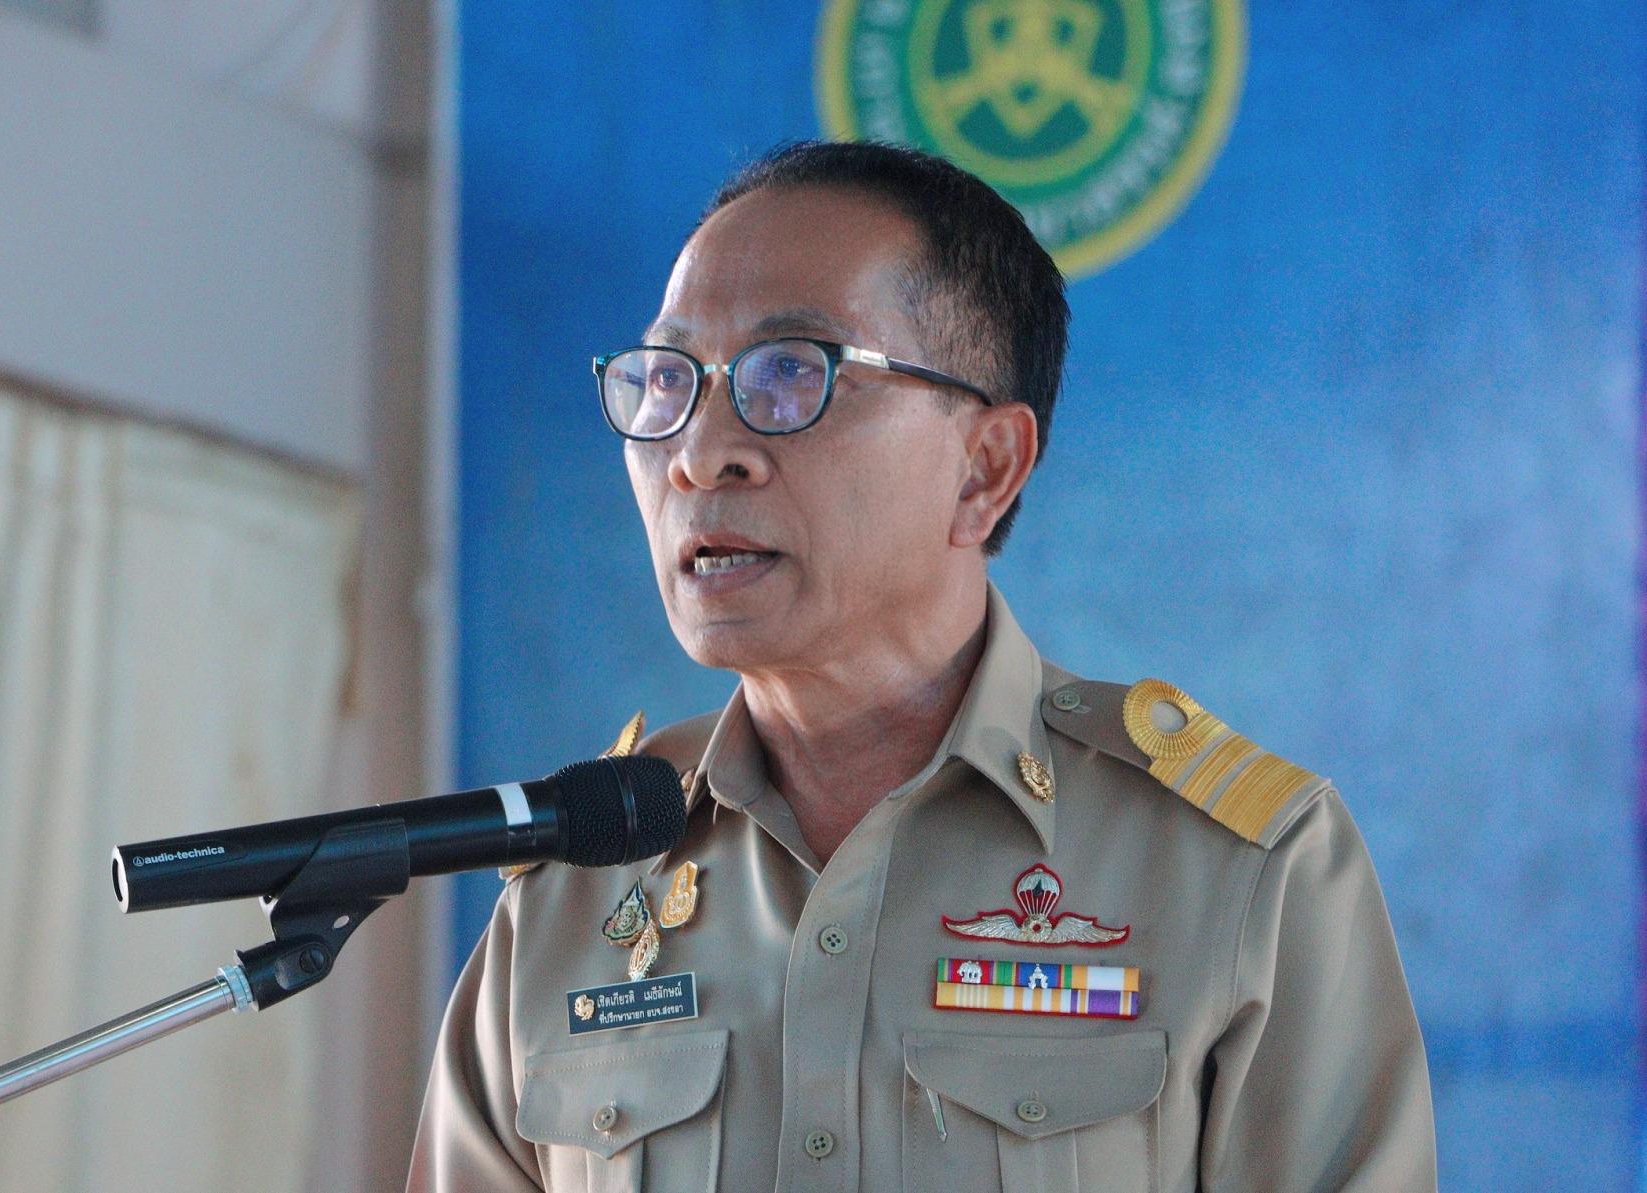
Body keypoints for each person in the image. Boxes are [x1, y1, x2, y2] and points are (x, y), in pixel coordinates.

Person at [409, 140, 1436, 1191]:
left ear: (984, 469)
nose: (700, 452)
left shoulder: (1237, 868)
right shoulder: (580, 880)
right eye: (668, 379)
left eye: (790, 373)